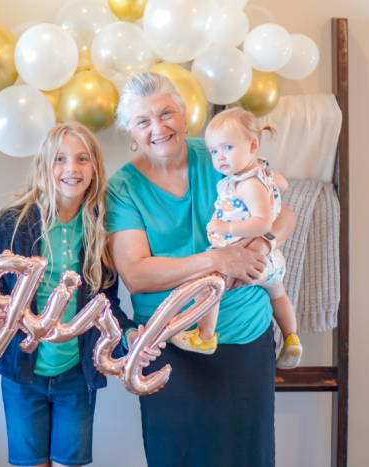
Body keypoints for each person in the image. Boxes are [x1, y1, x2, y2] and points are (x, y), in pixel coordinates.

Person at [106, 72, 297, 466]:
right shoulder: (122, 187)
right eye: (143, 121)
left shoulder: (221, 153)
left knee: (248, 457)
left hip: (244, 337)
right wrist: (215, 260)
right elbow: (137, 274)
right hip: (170, 344)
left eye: (166, 113)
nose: (158, 128)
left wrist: (263, 243)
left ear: (185, 113)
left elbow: (285, 214)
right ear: (129, 129)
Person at [0, 122, 151, 467]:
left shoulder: (102, 229)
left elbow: (107, 305)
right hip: (21, 372)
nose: (71, 168)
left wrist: (129, 334)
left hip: (77, 374)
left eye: (82, 159)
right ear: (45, 165)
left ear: (94, 170)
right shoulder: (17, 221)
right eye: (60, 159)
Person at [170, 107, 303, 370]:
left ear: (253, 144)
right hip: (271, 260)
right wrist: (273, 186)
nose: (219, 157)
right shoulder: (262, 174)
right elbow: (283, 183)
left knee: (209, 286)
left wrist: (225, 226)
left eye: (227, 148)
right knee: (278, 296)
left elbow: (263, 222)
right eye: (214, 151)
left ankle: (205, 337)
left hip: (247, 258)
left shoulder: (246, 183)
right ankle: (291, 337)